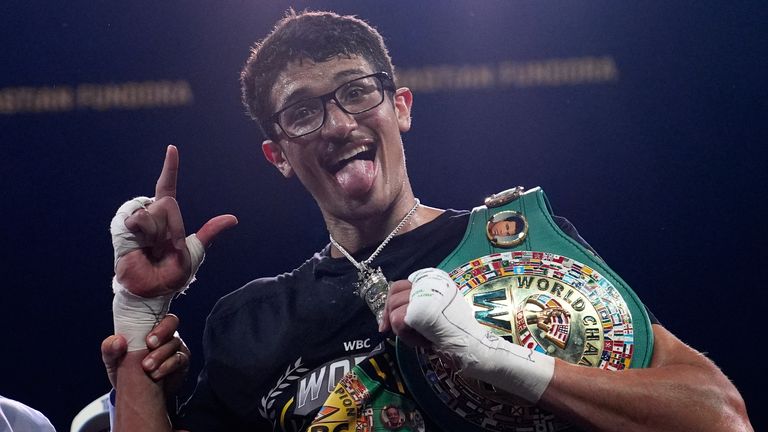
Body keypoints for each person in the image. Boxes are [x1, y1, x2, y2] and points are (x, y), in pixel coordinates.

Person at [100, 9, 753, 432]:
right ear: (278, 155)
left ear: (400, 106)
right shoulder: (248, 322)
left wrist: (503, 362)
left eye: (356, 91)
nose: (338, 123)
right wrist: (139, 314)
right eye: (303, 112)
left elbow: (719, 417)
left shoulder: (518, 250)